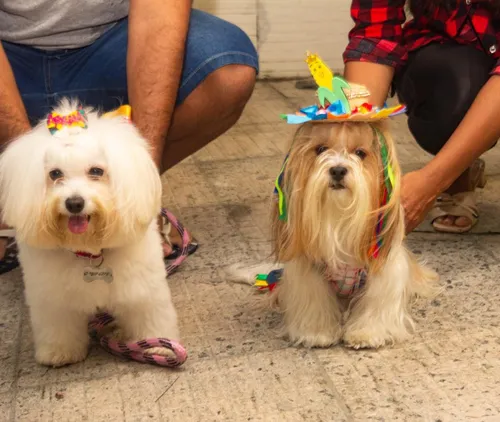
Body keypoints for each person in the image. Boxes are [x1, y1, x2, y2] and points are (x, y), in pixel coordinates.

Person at [0, 0, 259, 273]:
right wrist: (24, 192)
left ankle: (116, 200)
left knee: (226, 76)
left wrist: (138, 196)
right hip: (11, 53)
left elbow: (159, 11)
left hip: (110, 43)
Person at [343, 0, 500, 234]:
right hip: (450, 50)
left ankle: (448, 172)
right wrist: (349, 145)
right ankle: (459, 171)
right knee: (453, 90)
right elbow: (374, 33)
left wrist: (430, 183)